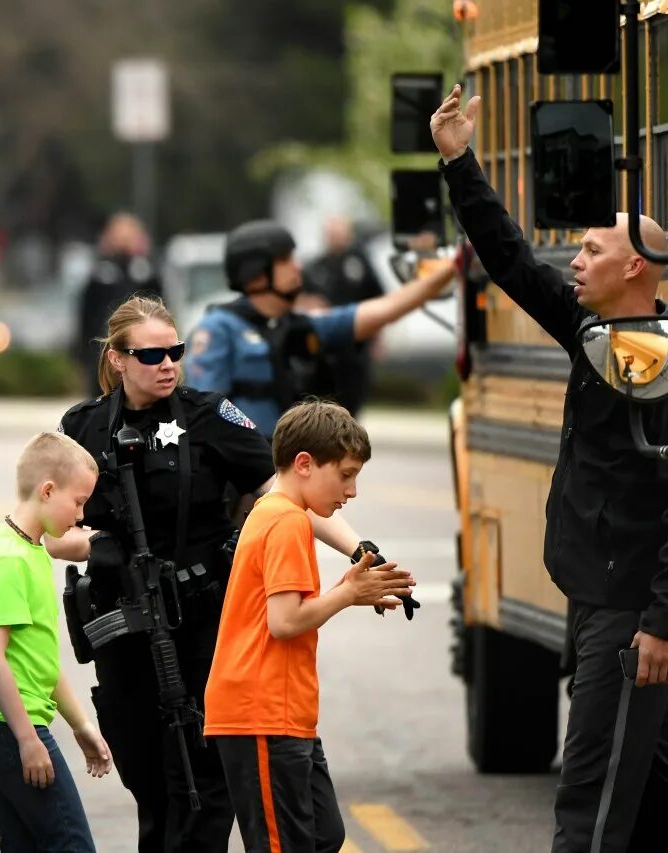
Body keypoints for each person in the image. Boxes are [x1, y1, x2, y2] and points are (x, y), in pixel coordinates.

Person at [50, 295, 384, 853]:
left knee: (206, 779)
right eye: (152, 354)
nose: (167, 364)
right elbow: (45, 527)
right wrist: (94, 547)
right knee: (148, 778)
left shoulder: (207, 415)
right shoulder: (82, 426)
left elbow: (285, 491)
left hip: (204, 621)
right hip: (125, 625)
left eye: (174, 351)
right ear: (117, 360)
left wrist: (359, 552)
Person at [431, 84, 668, 853]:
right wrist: (460, 160)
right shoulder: (591, 328)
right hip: (593, 594)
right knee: (637, 788)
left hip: (632, 609)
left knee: (590, 797)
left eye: (592, 249)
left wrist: (658, 621)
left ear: (637, 267)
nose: (574, 257)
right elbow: (507, 255)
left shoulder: (658, 364)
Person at [205, 401, 414, 853]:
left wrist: (350, 586)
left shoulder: (278, 514)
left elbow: (285, 611)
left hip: (284, 714)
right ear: (304, 464)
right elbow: (283, 623)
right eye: (345, 475)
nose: (352, 491)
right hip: (261, 713)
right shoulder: (286, 521)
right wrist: (347, 595)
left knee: (322, 835)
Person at [0, 432, 113, 852]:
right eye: (78, 502)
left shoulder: (32, 551)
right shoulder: (9, 559)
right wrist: (27, 739)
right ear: (47, 490)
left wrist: (81, 726)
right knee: (72, 845)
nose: (81, 516)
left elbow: (40, 662)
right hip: (4, 724)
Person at [181, 220, 456, 438]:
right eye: (286, 260)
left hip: (293, 469)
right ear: (256, 273)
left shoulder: (299, 327)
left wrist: (452, 268)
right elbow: (205, 416)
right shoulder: (218, 330)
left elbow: (382, 310)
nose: (297, 266)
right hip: (243, 482)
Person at [301, 216, 386, 415]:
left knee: (352, 398)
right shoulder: (315, 266)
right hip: (324, 346)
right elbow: (298, 299)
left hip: (356, 343)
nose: (335, 237)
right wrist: (309, 303)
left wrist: (378, 339)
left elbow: (378, 300)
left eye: (339, 232)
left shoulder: (360, 263)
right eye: (331, 233)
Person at [78, 212, 163, 395]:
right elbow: (86, 318)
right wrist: (85, 356)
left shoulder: (146, 274)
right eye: (119, 234)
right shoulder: (100, 275)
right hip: (104, 352)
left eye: (129, 234)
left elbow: (161, 312)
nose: (124, 240)